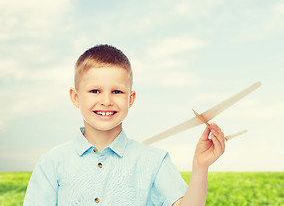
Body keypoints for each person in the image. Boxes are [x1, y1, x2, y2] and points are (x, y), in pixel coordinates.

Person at [24, 44, 225, 206]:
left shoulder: (154, 161)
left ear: (130, 98)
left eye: (117, 92)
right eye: (95, 91)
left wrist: (200, 167)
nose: (106, 101)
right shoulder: (51, 164)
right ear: (75, 98)